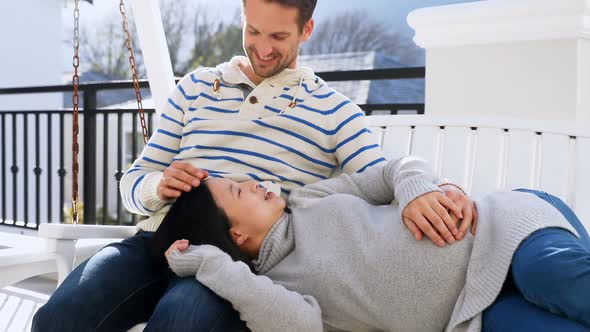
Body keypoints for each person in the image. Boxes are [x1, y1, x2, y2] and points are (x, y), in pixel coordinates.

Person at [32, 0, 473, 330]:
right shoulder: (196, 89)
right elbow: (133, 184)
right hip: (154, 240)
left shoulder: (335, 112)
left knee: (183, 317)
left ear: (307, 30)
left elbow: (384, 180)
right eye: (253, 30)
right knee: (63, 312)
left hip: (236, 261)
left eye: (278, 37)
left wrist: (432, 188)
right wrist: (157, 186)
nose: (262, 48)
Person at [156, 156, 590, 332]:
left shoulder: (309, 198)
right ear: (237, 237)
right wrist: (211, 264)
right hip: (476, 310)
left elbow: (394, 169)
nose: (251, 184)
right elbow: (301, 327)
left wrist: (419, 190)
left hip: (504, 230)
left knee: (550, 276)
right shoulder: (272, 287)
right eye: (238, 193)